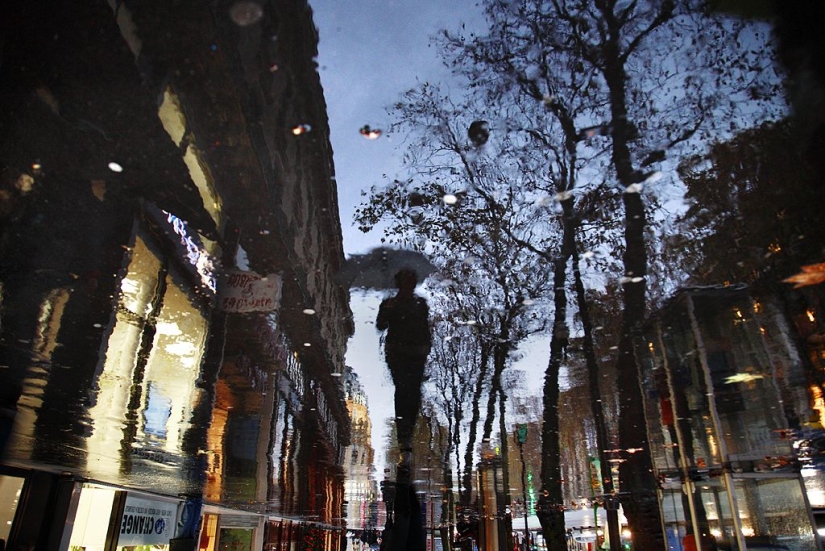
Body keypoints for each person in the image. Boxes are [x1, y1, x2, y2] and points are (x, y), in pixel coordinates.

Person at [376, 269, 431, 459]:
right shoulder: (390, 303)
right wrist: (388, 310)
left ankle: (408, 431)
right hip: (397, 353)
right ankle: (403, 434)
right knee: (402, 389)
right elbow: (380, 325)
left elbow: (425, 328)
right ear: (399, 284)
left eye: (411, 281)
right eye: (405, 281)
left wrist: (426, 348)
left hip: (416, 353)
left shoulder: (420, 304)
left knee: (414, 392)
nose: (409, 285)